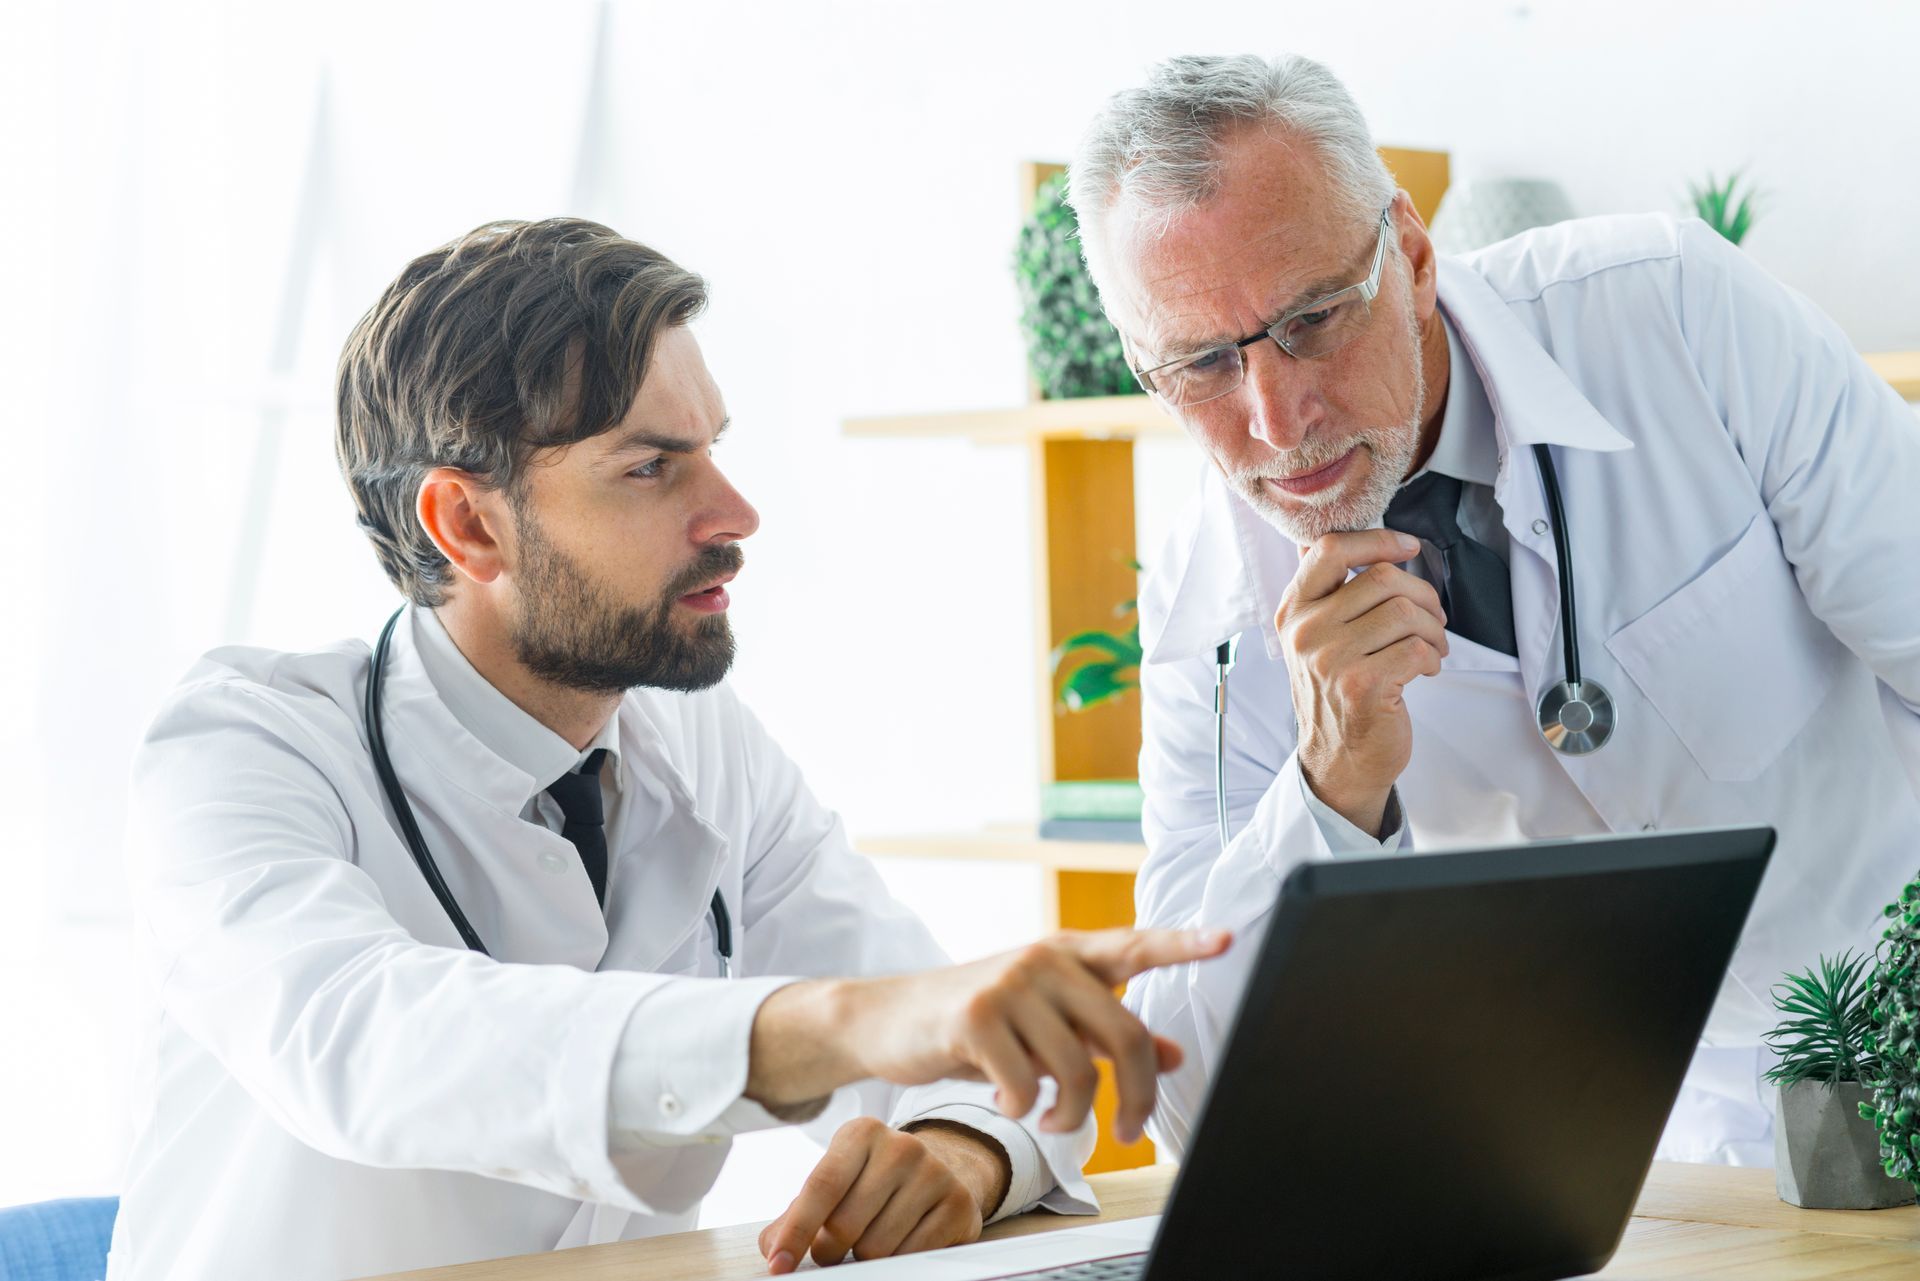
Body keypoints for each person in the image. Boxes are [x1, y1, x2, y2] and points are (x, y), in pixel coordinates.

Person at [107, 218, 1229, 1281]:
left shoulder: (699, 745)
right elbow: (361, 1037)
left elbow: (949, 1042)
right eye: (651, 467)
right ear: (469, 525)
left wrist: (958, 1150)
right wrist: (847, 1026)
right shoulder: (245, 742)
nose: (734, 511)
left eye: (714, 452)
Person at [1065, 54, 1920, 1165]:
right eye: (1203, 366)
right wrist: (1330, 788)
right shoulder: (1208, 608)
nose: (1277, 421)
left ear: (1412, 257)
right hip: (1640, 1163)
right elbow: (1189, 1099)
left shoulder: (1673, 316)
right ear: (1146, 370)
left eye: (1315, 321)